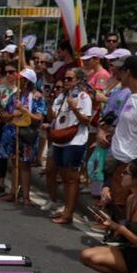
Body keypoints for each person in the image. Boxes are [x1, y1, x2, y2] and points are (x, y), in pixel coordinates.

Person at [102, 55, 137, 217]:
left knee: (122, 209)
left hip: (131, 162)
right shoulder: (133, 95)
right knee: (113, 205)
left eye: (120, 70)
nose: (118, 74)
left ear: (128, 72)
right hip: (118, 159)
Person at [47, 67, 93, 224]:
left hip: (75, 141)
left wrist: (74, 108)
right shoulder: (61, 96)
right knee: (64, 177)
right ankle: (66, 209)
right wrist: (49, 101)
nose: (66, 81)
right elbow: (51, 117)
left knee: (72, 178)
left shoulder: (83, 97)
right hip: (60, 140)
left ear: (78, 80)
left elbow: (87, 120)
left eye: (70, 79)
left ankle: (68, 213)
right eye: (65, 79)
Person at [0, 68, 45, 206]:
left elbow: (38, 118)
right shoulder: (14, 96)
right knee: (14, 163)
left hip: (28, 134)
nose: (20, 81)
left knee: (25, 166)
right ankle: (13, 192)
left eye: (23, 79)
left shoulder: (37, 97)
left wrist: (24, 110)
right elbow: (4, 115)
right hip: (14, 133)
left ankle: (25, 196)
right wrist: (12, 115)